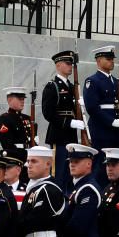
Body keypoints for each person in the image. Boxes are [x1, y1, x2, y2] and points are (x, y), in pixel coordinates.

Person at [83, 46, 119, 172]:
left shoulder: (116, 81)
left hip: (117, 130)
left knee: (116, 163)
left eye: (112, 59)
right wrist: (111, 121)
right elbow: (92, 108)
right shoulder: (92, 81)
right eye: (108, 59)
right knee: (101, 164)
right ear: (98, 61)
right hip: (101, 129)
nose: (111, 62)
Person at [42, 50, 83, 182]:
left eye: (71, 63)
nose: (70, 66)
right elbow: (48, 113)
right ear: (58, 65)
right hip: (58, 135)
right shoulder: (52, 86)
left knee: (70, 172)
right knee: (58, 171)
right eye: (67, 63)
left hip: (71, 135)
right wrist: (69, 122)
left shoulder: (72, 87)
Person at [0, 87, 34, 164]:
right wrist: (22, 158)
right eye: (19, 99)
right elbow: (7, 145)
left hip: (30, 157)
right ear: (9, 100)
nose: (22, 101)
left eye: (23, 99)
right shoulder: (4, 119)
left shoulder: (27, 118)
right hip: (15, 159)